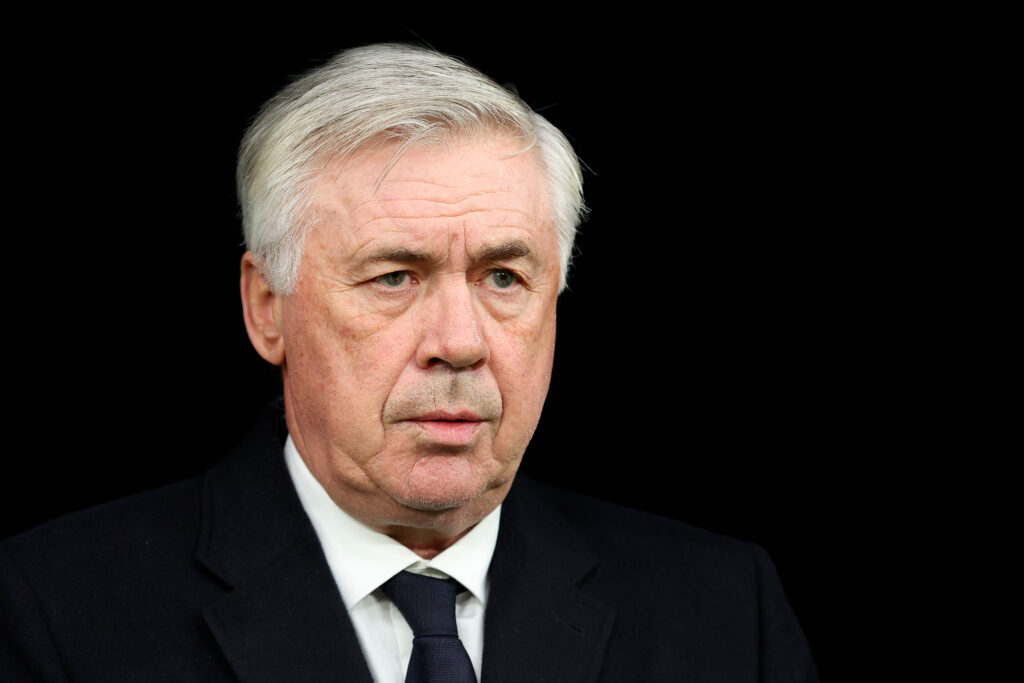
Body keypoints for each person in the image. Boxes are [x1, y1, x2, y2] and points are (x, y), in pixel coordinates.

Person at [0, 43, 818, 682]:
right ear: (266, 307)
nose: (459, 341)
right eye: (395, 276)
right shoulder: (54, 610)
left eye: (504, 276)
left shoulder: (720, 611)